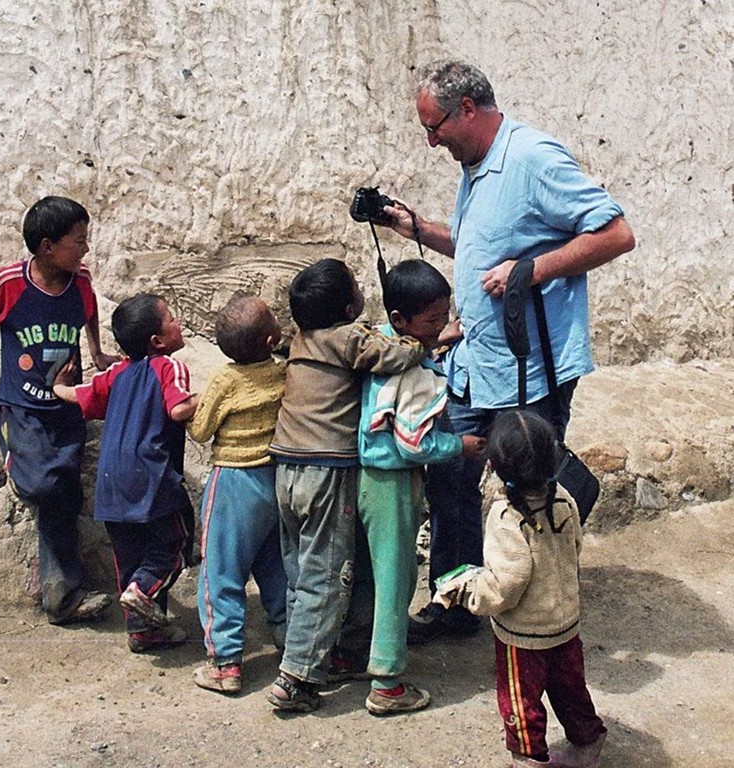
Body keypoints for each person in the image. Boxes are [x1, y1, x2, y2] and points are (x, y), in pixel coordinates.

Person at [381, 59, 636, 643]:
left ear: (468, 108)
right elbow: (480, 245)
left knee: (530, 484)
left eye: (435, 126)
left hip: (531, 366)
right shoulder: (476, 165)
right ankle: (457, 600)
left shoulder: (532, 158)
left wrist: (534, 269)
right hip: (480, 361)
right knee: (451, 470)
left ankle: (538, 610)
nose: (431, 140)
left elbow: (616, 233)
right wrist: (415, 228)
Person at [0, 196, 117, 625]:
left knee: (65, 492)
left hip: (65, 407)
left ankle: (61, 598)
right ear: (47, 246)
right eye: (79, 241)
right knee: (42, 486)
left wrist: (94, 350)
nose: (86, 249)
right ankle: (17, 467)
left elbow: (87, 312)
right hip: (23, 408)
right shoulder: (10, 284)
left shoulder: (81, 281)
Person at [266, 258, 425, 713]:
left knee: (301, 570)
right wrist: (422, 341)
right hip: (327, 471)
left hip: (287, 468)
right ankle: (296, 678)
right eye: (356, 287)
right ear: (347, 305)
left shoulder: (301, 341)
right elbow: (395, 356)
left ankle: (317, 650)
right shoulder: (348, 338)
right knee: (328, 575)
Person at [331, 259, 486, 715]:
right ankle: (387, 682)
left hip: (361, 476)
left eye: (445, 317)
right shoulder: (415, 374)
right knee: (397, 581)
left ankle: (349, 651)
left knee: (364, 574)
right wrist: (459, 445)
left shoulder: (379, 343)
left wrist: (439, 337)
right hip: (393, 483)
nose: (441, 326)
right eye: (433, 320)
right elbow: (415, 442)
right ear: (402, 321)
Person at [436, 410, 607, 767]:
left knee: (521, 701)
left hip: (525, 635)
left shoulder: (506, 516)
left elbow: (505, 586)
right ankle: (588, 743)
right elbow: (574, 547)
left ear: (496, 466)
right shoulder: (563, 497)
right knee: (570, 688)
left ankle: (529, 758)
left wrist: (467, 593)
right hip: (565, 621)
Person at [53, 293, 197, 653]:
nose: (178, 321)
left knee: (131, 556)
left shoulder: (116, 373)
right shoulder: (168, 367)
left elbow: (82, 395)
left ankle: (144, 632)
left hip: (111, 484)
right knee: (173, 545)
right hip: (152, 477)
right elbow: (179, 409)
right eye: (171, 317)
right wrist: (215, 399)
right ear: (157, 341)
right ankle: (143, 591)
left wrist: (57, 387)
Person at [186, 293, 288, 694]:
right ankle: (288, 638)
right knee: (276, 564)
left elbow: (200, 429)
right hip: (275, 478)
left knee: (221, 570)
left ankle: (225, 662)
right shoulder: (282, 375)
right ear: (269, 343)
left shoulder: (226, 381)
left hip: (233, 482)